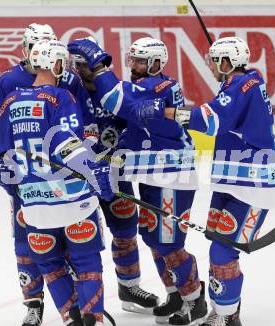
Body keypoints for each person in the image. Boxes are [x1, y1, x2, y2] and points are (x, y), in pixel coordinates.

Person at [68, 37, 207, 326]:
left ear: (157, 63)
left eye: (142, 61)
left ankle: (195, 299)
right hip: (147, 173)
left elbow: (123, 104)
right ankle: (176, 294)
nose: (135, 66)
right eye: (133, 60)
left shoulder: (159, 87)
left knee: (167, 243)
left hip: (172, 173)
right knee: (153, 238)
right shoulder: (120, 88)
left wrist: (100, 65)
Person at [149, 36, 275, 326]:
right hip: (233, 180)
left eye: (214, 60)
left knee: (221, 251)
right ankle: (228, 311)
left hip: (253, 183)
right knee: (217, 243)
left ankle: (224, 317)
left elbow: (208, 121)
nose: (210, 65)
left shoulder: (240, 86)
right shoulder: (245, 81)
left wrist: (164, 112)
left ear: (227, 62)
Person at [0, 38, 115, 326]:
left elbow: (2, 156)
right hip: (72, 201)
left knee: (50, 265)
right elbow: (65, 145)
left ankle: (70, 319)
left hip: (34, 205)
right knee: (86, 263)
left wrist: (14, 184)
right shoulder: (62, 98)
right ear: (56, 64)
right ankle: (92, 319)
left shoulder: (11, 102)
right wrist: (94, 171)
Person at [71, 52, 159, 314]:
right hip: (80, 175)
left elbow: (130, 122)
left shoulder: (112, 88)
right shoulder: (68, 92)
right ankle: (79, 298)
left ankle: (129, 286)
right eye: (86, 64)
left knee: (126, 230)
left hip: (114, 172)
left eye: (97, 63)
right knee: (79, 238)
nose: (94, 68)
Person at [0, 23, 58, 326]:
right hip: (25, 179)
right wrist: (5, 161)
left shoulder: (65, 80)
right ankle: (33, 302)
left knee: (71, 238)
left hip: (61, 179)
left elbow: (83, 124)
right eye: (33, 48)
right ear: (25, 48)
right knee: (27, 239)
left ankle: (77, 301)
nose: (39, 55)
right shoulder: (8, 82)